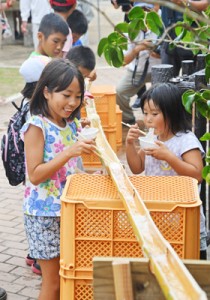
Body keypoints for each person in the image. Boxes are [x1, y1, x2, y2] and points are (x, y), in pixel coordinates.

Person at [20, 58, 96, 300]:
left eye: (77, 96)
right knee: (52, 284)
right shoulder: (36, 125)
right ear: (46, 92)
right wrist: (70, 151)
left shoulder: (70, 124)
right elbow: (35, 174)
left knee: (68, 278)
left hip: (69, 211)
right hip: (43, 215)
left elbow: (71, 170)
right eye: (66, 95)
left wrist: (94, 175)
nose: (72, 102)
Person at [125, 82, 207, 259]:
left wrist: (169, 157)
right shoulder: (152, 137)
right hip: (158, 216)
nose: (148, 119)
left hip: (184, 219)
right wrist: (130, 144)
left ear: (171, 113)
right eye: (145, 113)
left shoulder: (185, 141)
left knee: (189, 264)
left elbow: (197, 175)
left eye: (154, 114)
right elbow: (137, 167)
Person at [116, 4, 160, 125]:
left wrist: (158, 53)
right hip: (137, 70)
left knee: (162, 96)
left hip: (159, 69)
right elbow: (123, 62)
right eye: (140, 11)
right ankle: (128, 119)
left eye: (147, 10)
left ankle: (159, 123)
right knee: (120, 92)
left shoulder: (161, 24)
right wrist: (137, 49)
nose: (144, 15)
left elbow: (171, 51)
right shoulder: (130, 29)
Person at [160, 0, 209, 76]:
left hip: (194, 37)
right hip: (169, 38)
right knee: (166, 79)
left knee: (195, 80)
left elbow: (205, 5)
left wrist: (185, 2)